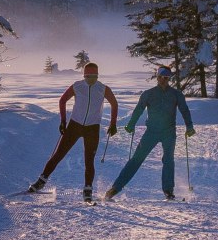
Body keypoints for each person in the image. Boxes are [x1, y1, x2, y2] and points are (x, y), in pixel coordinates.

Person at [23, 62, 117, 202]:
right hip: (75, 125)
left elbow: (114, 104)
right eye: (88, 76)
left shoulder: (103, 89)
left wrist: (113, 124)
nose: (91, 79)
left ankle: (87, 189)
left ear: (98, 75)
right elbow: (62, 100)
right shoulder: (77, 86)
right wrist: (63, 121)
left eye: (94, 76)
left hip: (92, 128)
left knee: (89, 161)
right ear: (84, 75)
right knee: (58, 155)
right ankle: (41, 182)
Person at [105, 65, 194, 201]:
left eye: (166, 77)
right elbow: (138, 110)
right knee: (136, 159)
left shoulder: (176, 94)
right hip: (151, 132)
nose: (163, 80)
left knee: (168, 160)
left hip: (169, 132)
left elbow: (185, 110)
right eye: (160, 77)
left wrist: (189, 126)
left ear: (169, 78)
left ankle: (168, 191)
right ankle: (115, 188)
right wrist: (130, 125)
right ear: (157, 77)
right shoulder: (148, 94)